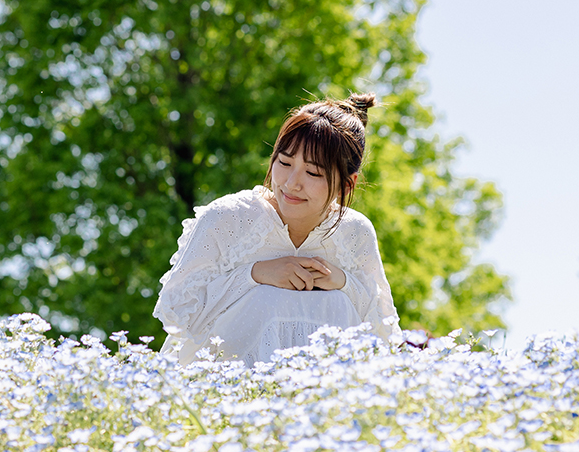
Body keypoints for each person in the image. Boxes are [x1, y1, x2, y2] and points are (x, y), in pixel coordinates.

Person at [153, 93, 401, 365]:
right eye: (284, 163)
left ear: (346, 184)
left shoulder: (355, 232)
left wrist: (342, 282)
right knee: (267, 298)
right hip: (220, 392)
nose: (292, 183)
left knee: (338, 303)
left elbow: (383, 333)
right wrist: (255, 274)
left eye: (313, 173)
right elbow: (176, 311)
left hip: (321, 398)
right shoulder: (228, 218)